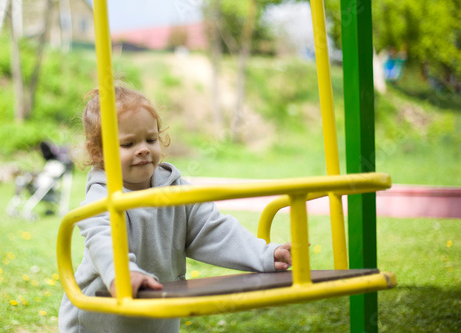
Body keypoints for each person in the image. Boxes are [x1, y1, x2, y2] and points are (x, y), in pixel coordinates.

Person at [59, 84, 293, 333]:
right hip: (101, 321)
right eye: (128, 144)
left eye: (151, 139)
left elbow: (213, 229)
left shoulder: (174, 189)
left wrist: (263, 255)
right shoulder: (101, 197)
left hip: (157, 318)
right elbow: (103, 241)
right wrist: (123, 274)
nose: (144, 149)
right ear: (98, 152)